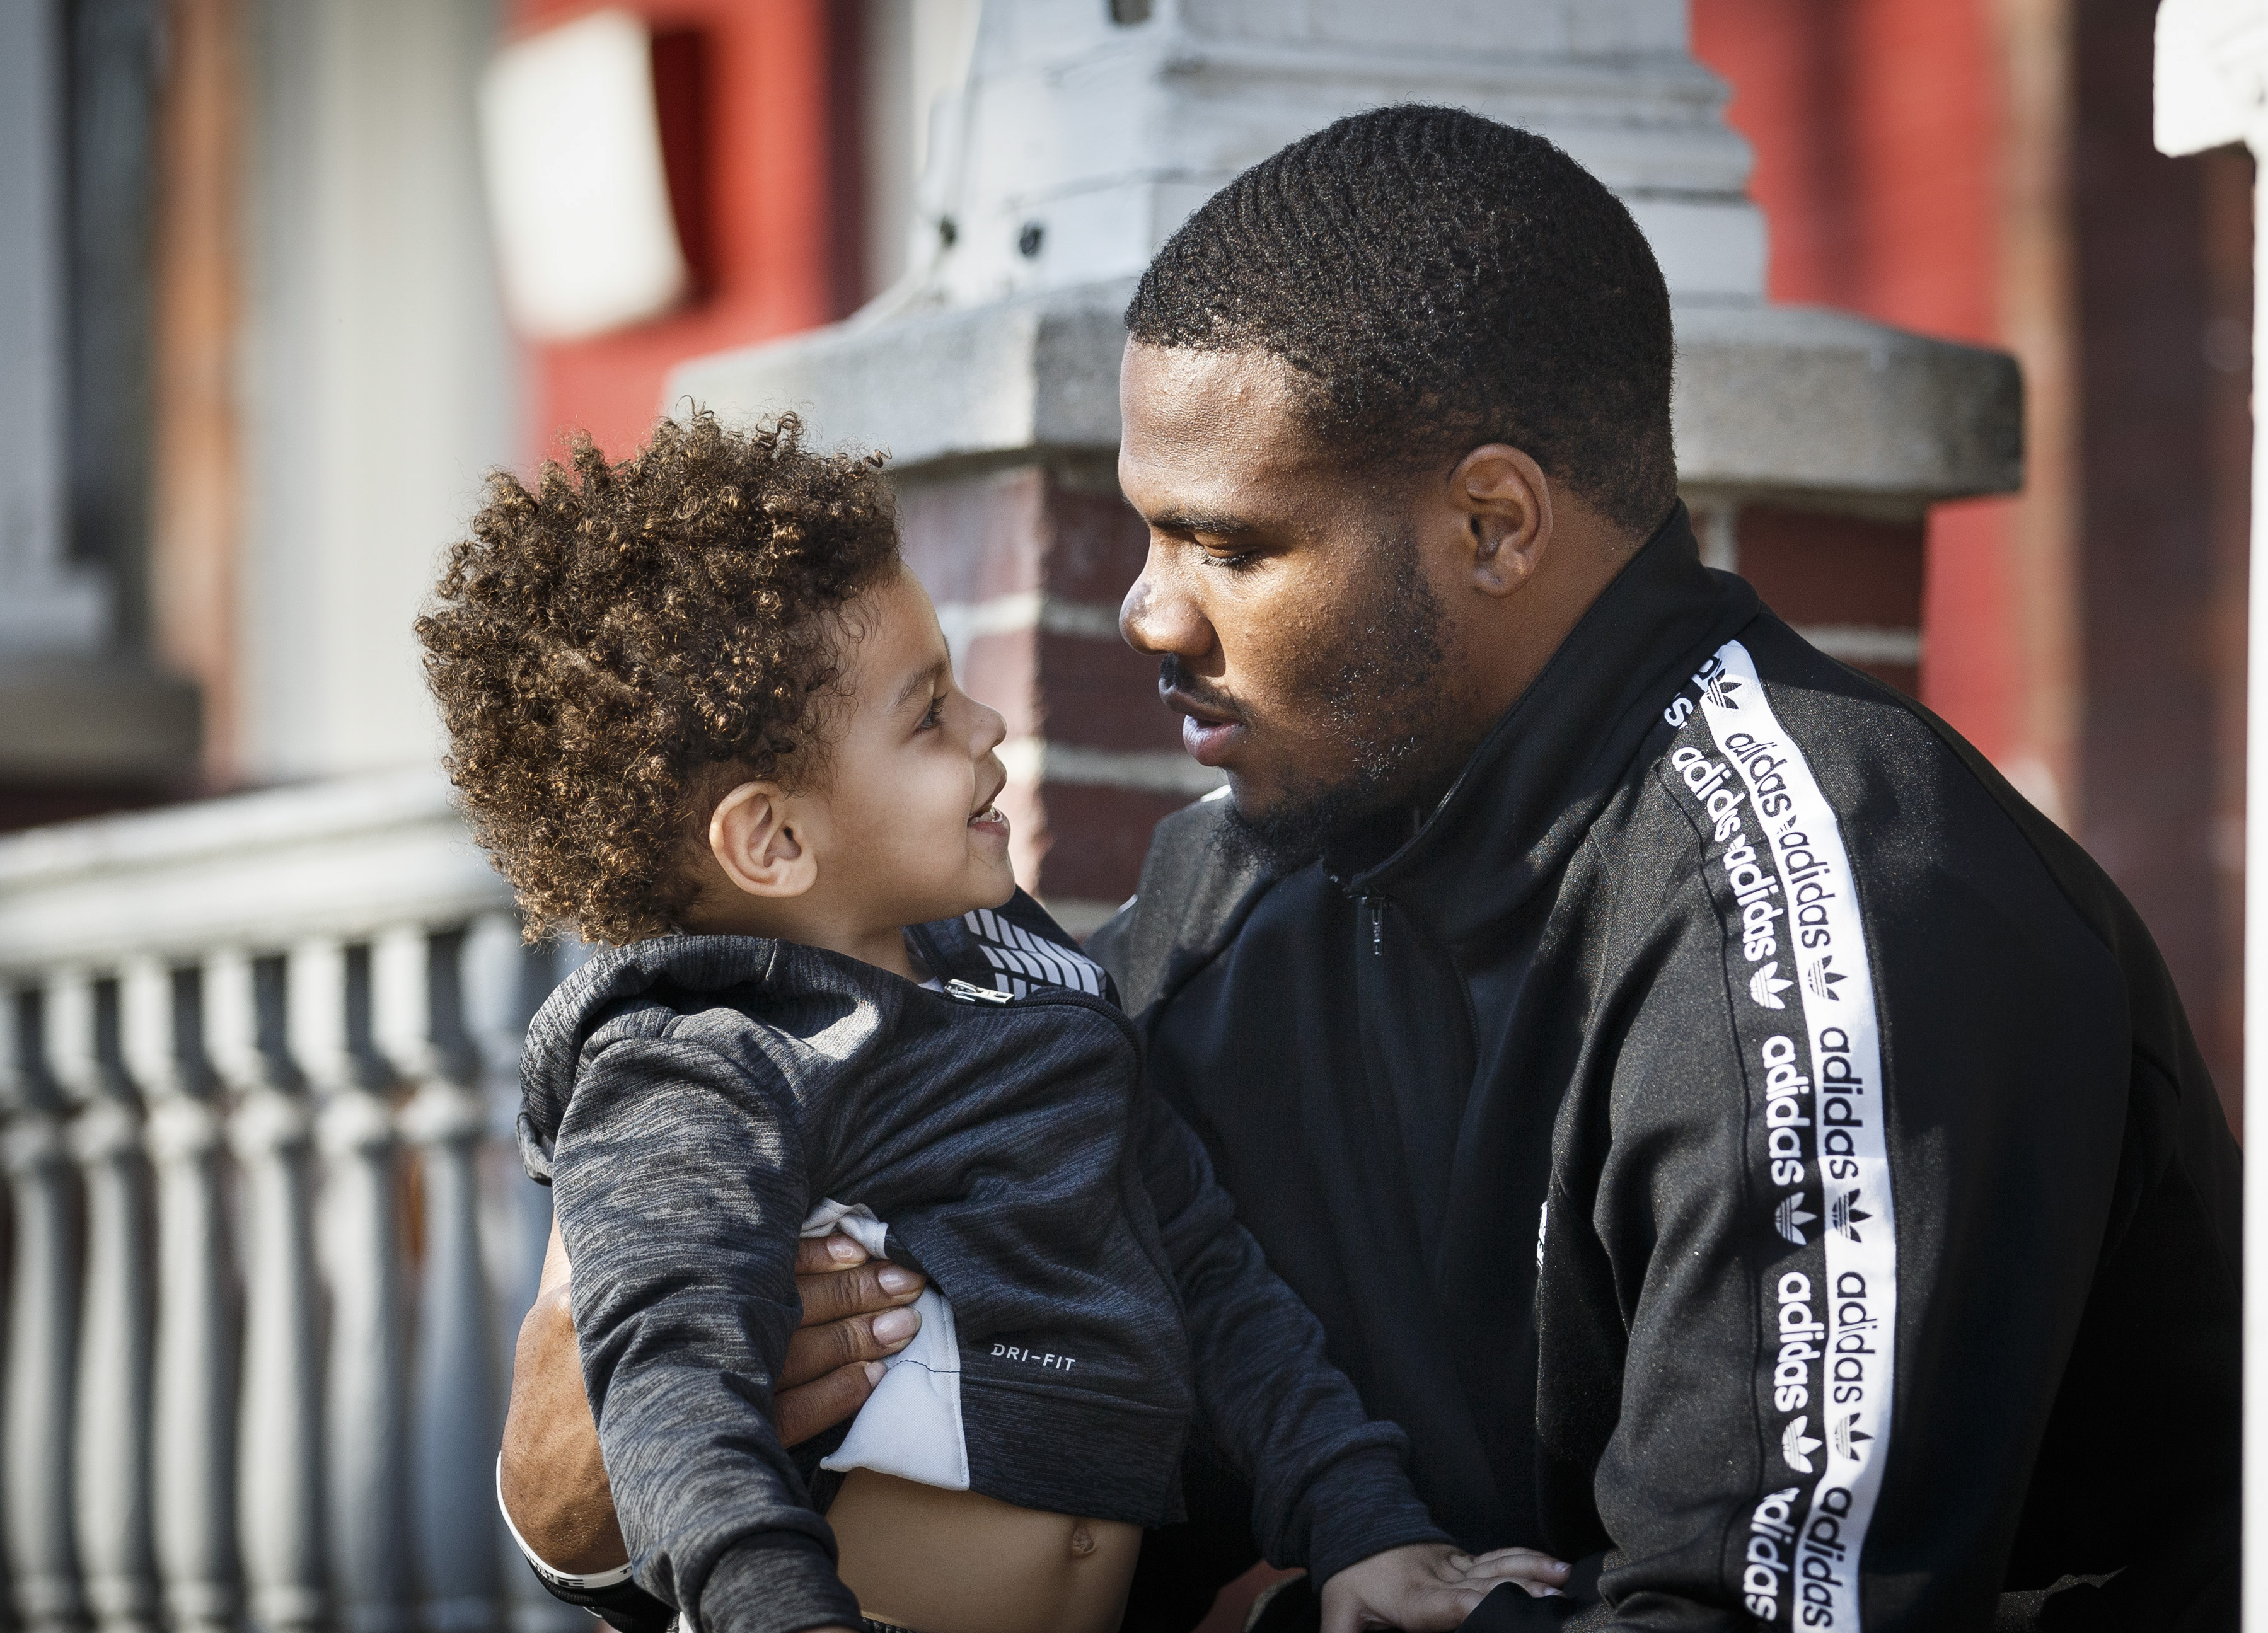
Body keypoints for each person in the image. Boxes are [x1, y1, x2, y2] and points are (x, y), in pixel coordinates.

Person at [500, 107, 2242, 1630]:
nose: (1145, 612)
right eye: (1141, 529)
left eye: (1227, 543)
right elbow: (1099, 1471)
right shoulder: (1217, 901)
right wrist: (584, 1513)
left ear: (1490, 524)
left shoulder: (1842, 910)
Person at [420, 413, 1570, 1633]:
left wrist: (1359, 1526)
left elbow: (1204, 1265)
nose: (986, 730)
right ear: (772, 840)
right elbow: (669, 1395)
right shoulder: (692, 1069)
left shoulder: (1023, 974)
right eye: (926, 716)